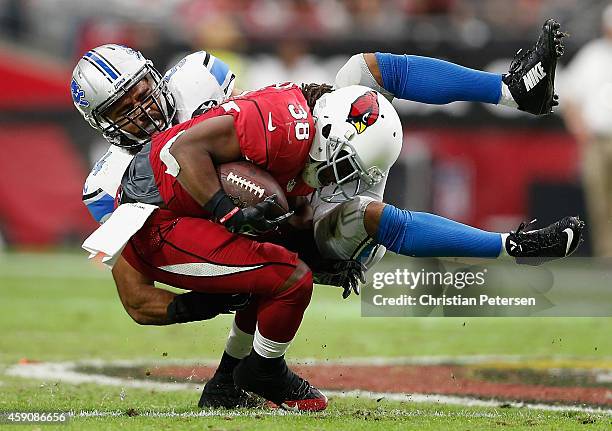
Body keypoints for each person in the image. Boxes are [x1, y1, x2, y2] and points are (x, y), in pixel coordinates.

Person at [73, 19, 581, 410]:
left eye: (141, 94)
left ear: (155, 77)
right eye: (123, 111)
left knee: (359, 76)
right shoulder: (115, 178)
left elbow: (260, 126)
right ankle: (510, 246)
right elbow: (137, 293)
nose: (142, 112)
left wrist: (313, 107)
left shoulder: (198, 80)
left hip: (288, 190)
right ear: (103, 125)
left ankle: (510, 91)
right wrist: (206, 279)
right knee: (356, 218)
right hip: (249, 231)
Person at [562, 4, 612, 257]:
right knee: (600, 201)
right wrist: (579, 128)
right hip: (597, 139)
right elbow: (570, 96)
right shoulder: (592, 55)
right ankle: (608, 255)